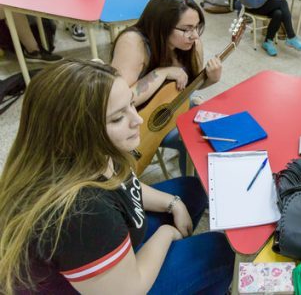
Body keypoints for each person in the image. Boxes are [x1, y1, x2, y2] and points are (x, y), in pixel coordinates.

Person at [0, 60, 234, 294]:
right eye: (117, 118)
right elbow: (130, 290)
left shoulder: (83, 152)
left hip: (101, 253)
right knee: (219, 252)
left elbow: (125, 185)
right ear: (76, 132)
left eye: (132, 105)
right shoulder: (83, 212)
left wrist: (173, 203)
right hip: (111, 286)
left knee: (190, 189)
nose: (138, 120)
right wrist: (167, 234)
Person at [111, 0, 222, 175]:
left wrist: (211, 79)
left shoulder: (192, 43)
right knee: (197, 136)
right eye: (186, 29)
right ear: (163, 26)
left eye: (197, 27)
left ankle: (193, 182)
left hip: (173, 106)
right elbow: (118, 100)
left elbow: (188, 86)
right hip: (142, 120)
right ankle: (189, 185)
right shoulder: (133, 42)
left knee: (211, 126)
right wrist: (161, 73)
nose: (194, 35)